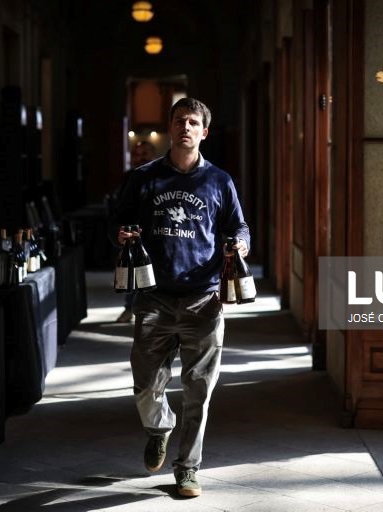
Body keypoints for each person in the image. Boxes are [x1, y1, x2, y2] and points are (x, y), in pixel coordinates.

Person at [114, 97, 250, 497]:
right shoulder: (143, 178)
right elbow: (118, 222)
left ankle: (187, 468)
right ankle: (159, 426)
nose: (185, 127)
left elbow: (238, 226)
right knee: (145, 383)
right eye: (179, 121)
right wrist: (120, 235)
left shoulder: (219, 181)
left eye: (193, 122)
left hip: (204, 300)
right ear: (170, 128)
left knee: (199, 390)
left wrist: (240, 245)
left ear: (204, 132)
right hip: (153, 297)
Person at [115, 140, 156, 323]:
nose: (140, 158)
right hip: (132, 231)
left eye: (144, 154)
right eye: (137, 154)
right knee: (130, 269)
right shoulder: (129, 176)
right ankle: (128, 308)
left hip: (152, 231)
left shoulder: (157, 175)